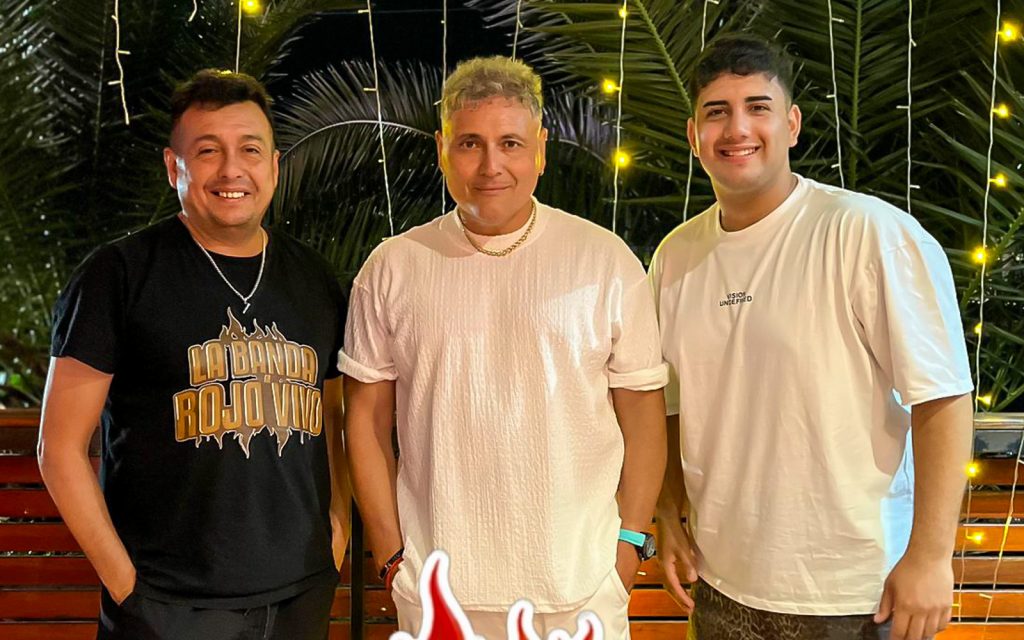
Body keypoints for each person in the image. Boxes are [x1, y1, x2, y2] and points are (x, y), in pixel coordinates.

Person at [650, 33, 974, 640]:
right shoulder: (675, 256)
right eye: (716, 112)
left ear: (792, 125)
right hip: (721, 587)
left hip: (857, 594)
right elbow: (666, 405)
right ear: (694, 135)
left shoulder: (867, 233)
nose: (737, 129)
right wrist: (667, 513)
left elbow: (944, 396)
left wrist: (931, 557)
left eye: (758, 107)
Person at [342, 56, 668, 638]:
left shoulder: (605, 261)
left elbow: (643, 416)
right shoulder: (392, 266)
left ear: (540, 149)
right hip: (437, 593)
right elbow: (364, 420)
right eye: (470, 143)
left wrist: (626, 552)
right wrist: (393, 559)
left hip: (581, 591)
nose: (491, 165)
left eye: (511, 143)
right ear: (442, 149)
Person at [37, 69, 350, 640]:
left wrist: (337, 531)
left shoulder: (314, 277)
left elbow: (333, 417)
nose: (231, 170)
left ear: (274, 166)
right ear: (173, 166)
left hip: (300, 594)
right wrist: (126, 585)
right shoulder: (118, 275)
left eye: (249, 150)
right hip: (168, 605)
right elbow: (59, 449)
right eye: (208, 151)